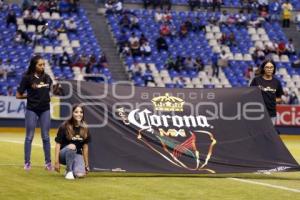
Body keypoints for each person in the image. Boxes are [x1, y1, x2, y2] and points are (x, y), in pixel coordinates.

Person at [16, 55, 53, 171]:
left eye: (43, 65)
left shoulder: (47, 78)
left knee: (46, 137)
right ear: (34, 65)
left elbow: (49, 92)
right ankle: (27, 163)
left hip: (45, 110)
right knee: (29, 137)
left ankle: (48, 163)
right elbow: (18, 95)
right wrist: (29, 96)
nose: (43, 67)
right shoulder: (27, 78)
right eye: (40, 65)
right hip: (31, 109)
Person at [54, 104, 90, 180]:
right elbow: (58, 144)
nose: (79, 114)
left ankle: (72, 168)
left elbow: (85, 147)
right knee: (72, 146)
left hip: (77, 155)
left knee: (80, 175)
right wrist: (56, 162)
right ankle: (69, 171)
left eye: (81, 112)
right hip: (63, 155)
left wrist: (86, 165)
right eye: (76, 112)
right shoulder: (64, 126)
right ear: (72, 113)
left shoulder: (85, 128)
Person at [250, 60, 283, 125]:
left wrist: (272, 100)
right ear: (263, 68)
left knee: (269, 134)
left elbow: (280, 98)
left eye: (271, 67)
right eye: (267, 67)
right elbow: (250, 94)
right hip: (258, 113)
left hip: (271, 114)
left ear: (274, 69)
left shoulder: (277, 82)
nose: (269, 69)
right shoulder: (256, 80)